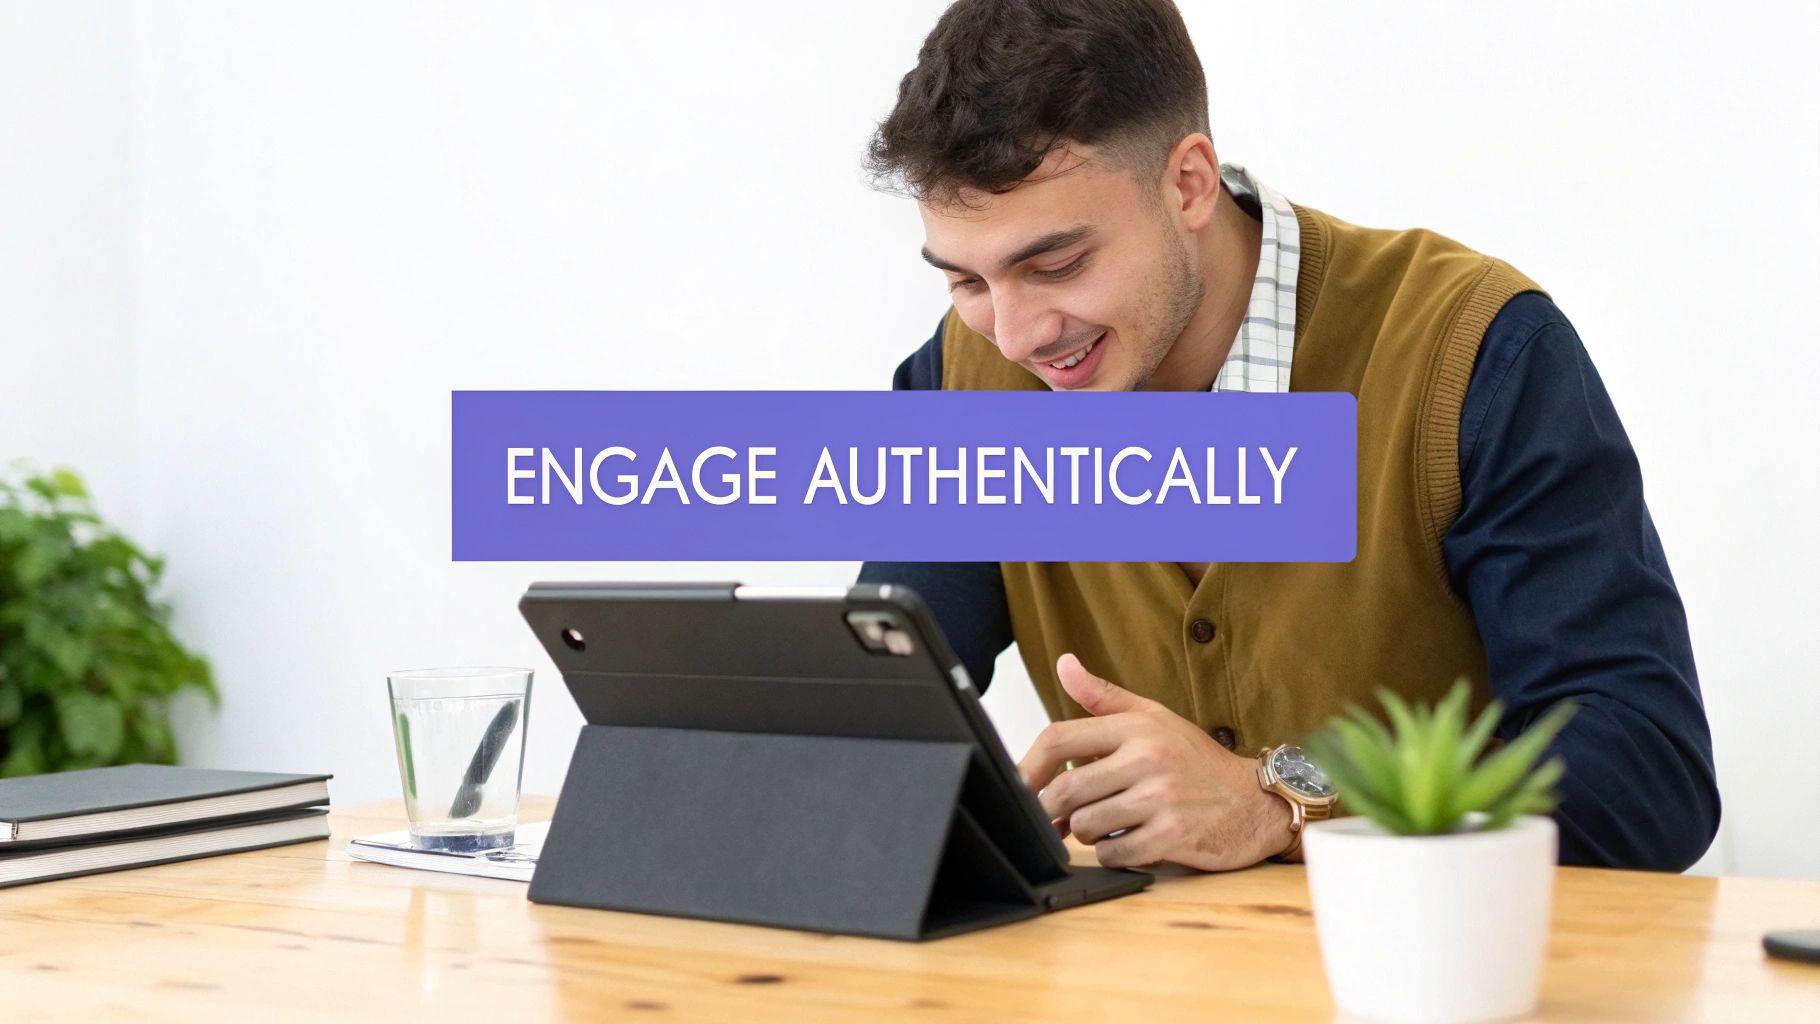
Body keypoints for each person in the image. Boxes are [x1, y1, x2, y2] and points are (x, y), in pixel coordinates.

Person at [857, 0, 1718, 872]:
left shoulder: (1474, 351)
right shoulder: (967, 384)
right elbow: (876, 717)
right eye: (967, 279)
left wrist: (1283, 802)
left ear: (1188, 183)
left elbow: (1649, 776)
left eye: (1058, 265)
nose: (1016, 335)